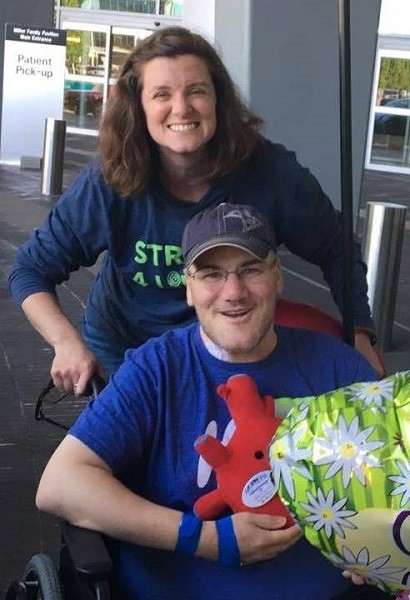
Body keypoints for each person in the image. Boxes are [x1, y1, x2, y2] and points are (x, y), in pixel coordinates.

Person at [35, 203, 388, 600]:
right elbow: (60, 484)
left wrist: (382, 543)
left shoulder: (339, 369)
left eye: (251, 269)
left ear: (278, 277)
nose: (233, 292)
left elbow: (399, 477)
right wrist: (204, 538)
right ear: (188, 287)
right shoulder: (158, 369)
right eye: (211, 273)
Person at [8, 26, 381, 396]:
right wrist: (66, 342)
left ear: (218, 98)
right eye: (162, 95)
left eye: (196, 91)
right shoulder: (111, 178)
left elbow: (336, 248)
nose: (181, 108)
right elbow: (30, 270)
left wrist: (360, 333)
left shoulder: (271, 175)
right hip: (123, 346)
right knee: (127, 449)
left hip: (220, 345)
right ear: (139, 107)